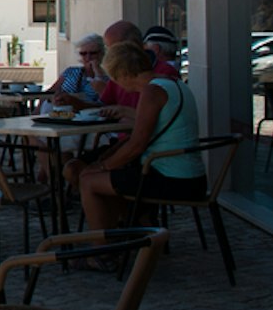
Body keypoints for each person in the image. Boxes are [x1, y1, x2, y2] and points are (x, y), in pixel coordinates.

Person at [67, 40, 204, 236]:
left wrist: (103, 166)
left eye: (114, 78)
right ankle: (131, 229)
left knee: (88, 180)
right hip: (191, 176)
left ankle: (101, 253)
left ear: (122, 74)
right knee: (105, 175)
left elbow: (137, 144)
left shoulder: (152, 91)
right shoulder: (172, 83)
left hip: (174, 180)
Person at [50, 33, 106, 104]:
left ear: (101, 54)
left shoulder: (106, 78)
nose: (88, 57)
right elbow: (50, 92)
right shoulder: (70, 71)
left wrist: (97, 70)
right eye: (83, 53)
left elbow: (105, 103)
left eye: (93, 53)